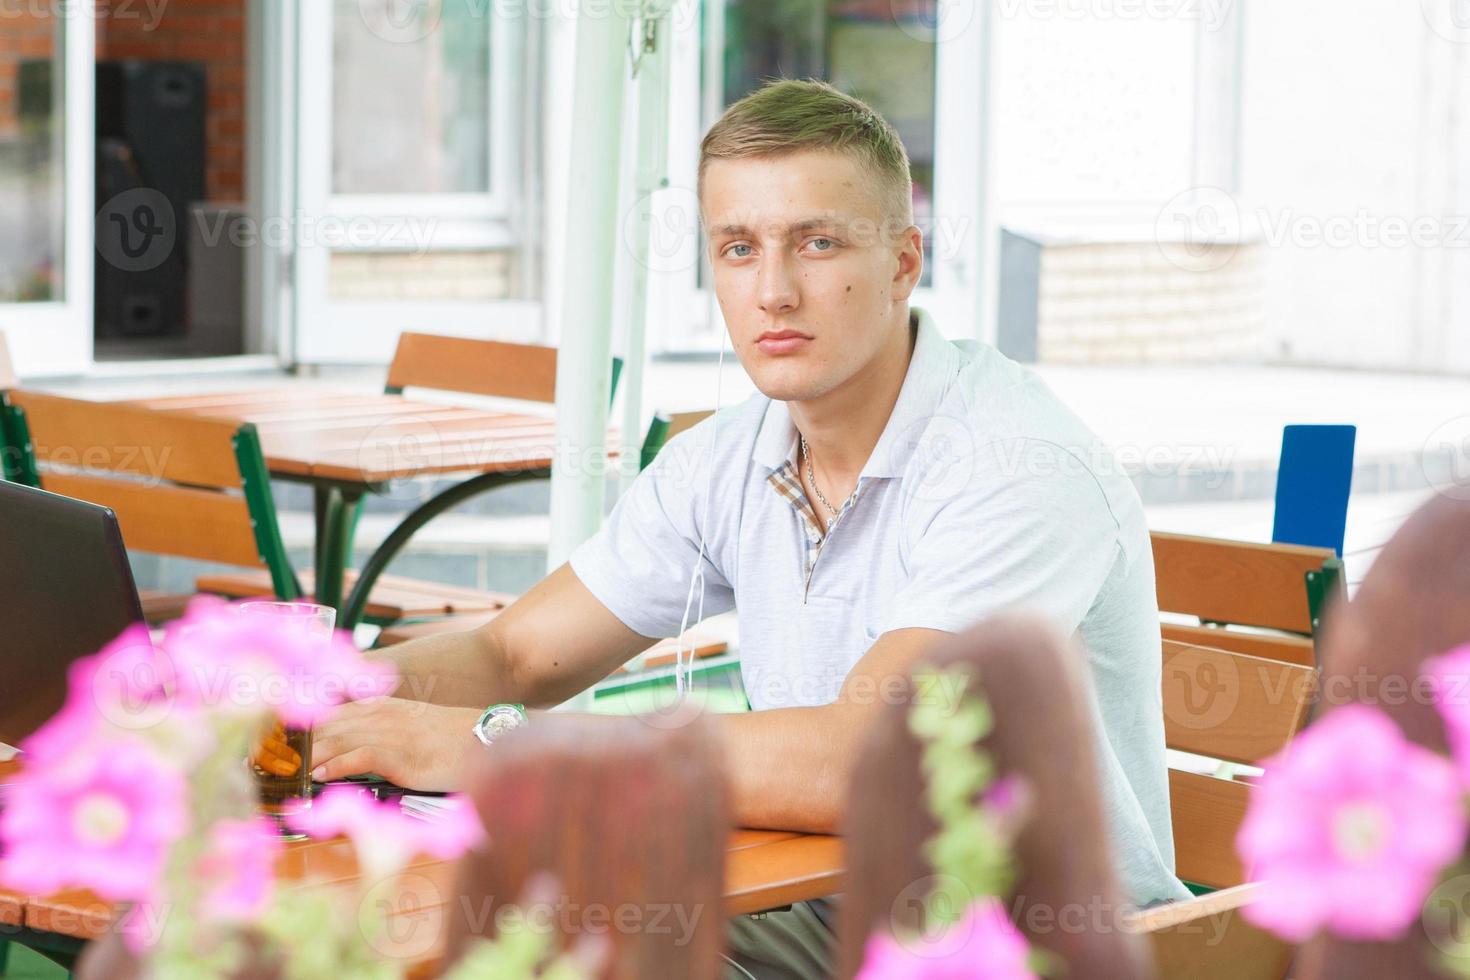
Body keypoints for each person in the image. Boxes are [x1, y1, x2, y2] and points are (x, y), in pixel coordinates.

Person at [312, 78, 1190, 978]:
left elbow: (863, 761)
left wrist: (497, 747)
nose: (773, 291)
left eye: (816, 242)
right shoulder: (728, 457)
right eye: (738, 248)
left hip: (1031, 942)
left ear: (902, 261)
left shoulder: (1011, 465)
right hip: (831, 903)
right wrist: (322, 696)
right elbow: (519, 655)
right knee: (475, 942)